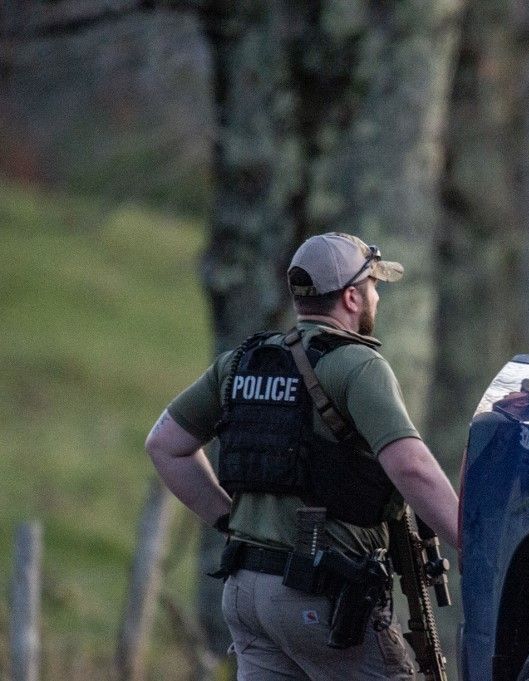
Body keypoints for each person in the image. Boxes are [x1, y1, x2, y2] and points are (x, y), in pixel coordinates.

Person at [144, 232, 459, 680]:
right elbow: (411, 466)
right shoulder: (358, 366)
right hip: (321, 598)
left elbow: (165, 446)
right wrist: (470, 540)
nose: (376, 298)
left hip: (246, 593)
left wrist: (231, 522)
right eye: (373, 287)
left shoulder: (241, 363)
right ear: (352, 297)